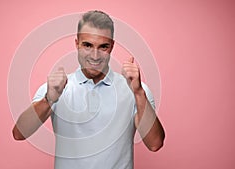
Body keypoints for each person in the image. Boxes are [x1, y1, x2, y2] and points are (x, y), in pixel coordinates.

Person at [12, 10, 165, 169]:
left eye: (103, 47)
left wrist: (139, 93)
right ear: (77, 44)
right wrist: (49, 99)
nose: (95, 55)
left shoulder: (137, 90)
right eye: (87, 45)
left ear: (111, 46)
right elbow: (19, 133)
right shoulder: (55, 89)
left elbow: (155, 144)